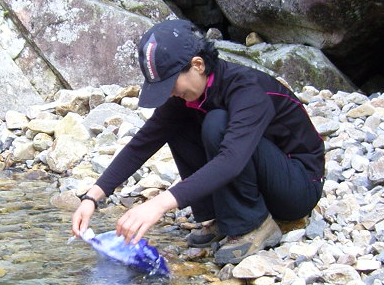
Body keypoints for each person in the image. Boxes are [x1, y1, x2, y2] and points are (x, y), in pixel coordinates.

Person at [71, 19, 325, 265]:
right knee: (177, 123)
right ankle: (219, 216)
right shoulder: (187, 96)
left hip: (297, 187)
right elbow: (143, 142)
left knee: (217, 123)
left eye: (171, 83)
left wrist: (158, 204)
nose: (170, 92)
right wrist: (93, 196)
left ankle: (254, 224)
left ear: (198, 65)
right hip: (261, 177)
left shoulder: (247, 89)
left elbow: (231, 161)